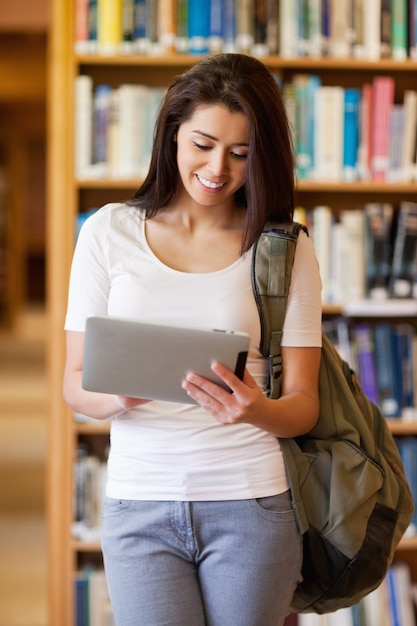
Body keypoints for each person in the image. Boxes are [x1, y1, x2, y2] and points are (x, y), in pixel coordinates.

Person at [63, 53, 322, 626]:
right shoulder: (109, 231)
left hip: (251, 504)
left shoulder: (284, 247)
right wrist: (120, 395)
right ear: (172, 133)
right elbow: (75, 386)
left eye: (240, 153)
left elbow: (304, 408)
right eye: (202, 144)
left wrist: (257, 410)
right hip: (139, 503)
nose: (217, 168)